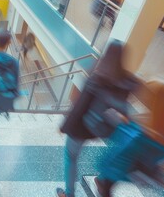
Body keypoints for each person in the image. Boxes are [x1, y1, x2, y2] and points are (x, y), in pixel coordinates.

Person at [55, 40, 140, 197]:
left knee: (71, 157)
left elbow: (80, 107)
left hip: (81, 128)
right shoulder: (127, 81)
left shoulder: (96, 78)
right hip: (103, 128)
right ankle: (101, 181)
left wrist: (63, 127)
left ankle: (69, 193)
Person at [95, 80, 164, 197]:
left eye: (151, 96)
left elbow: (121, 154)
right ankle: (103, 183)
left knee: (107, 186)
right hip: (130, 166)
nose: (147, 98)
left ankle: (103, 183)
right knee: (107, 185)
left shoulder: (144, 133)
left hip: (120, 166)